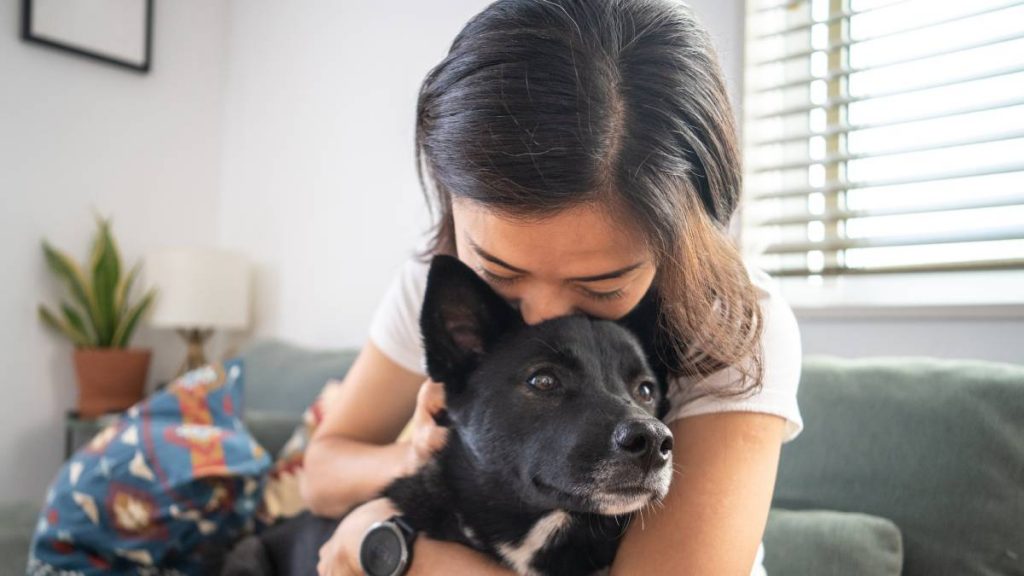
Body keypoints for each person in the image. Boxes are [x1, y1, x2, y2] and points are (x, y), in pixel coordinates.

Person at [303, 0, 803, 574]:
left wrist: (393, 550)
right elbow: (323, 471)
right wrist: (418, 454)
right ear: (449, 198)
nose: (542, 314)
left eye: (600, 284)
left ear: (680, 239)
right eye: (501, 273)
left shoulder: (731, 322)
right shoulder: (441, 283)